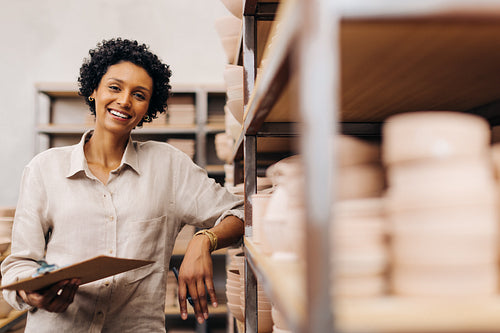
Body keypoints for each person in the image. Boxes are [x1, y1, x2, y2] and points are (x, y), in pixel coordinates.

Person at [1, 38, 244, 332]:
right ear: (94, 90)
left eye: (139, 95)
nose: (124, 101)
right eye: (115, 87)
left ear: (148, 108)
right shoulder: (44, 169)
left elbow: (241, 212)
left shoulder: (168, 166)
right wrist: (32, 292)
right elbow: (19, 265)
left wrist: (204, 240)